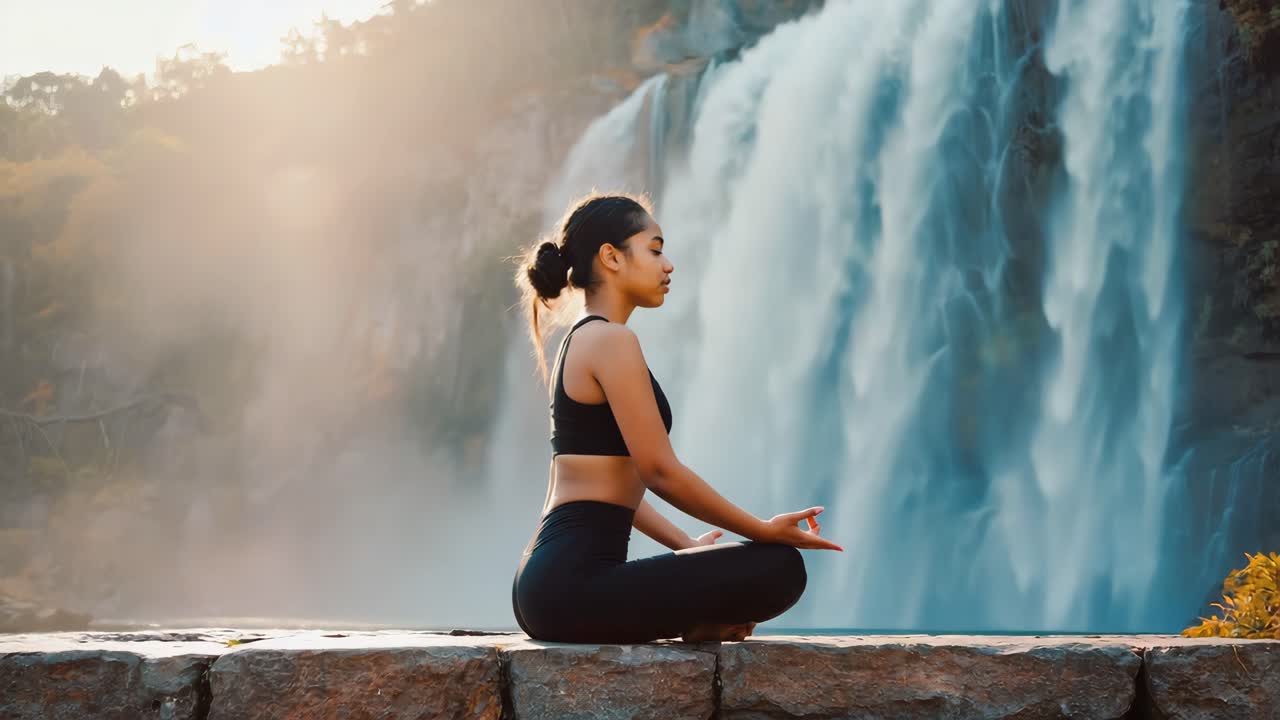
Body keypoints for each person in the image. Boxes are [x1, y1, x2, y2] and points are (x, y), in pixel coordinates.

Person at [509, 190, 843, 644]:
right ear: (611, 257)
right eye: (655, 249)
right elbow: (660, 471)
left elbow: (616, 490)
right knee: (779, 566)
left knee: (761, 565)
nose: (668, 265)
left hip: (544, 585)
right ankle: (698, 621)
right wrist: (763, 529)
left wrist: (686, 547)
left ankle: (699, 621)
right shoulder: (611, 342)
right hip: (572, 585)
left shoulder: (581, 339)